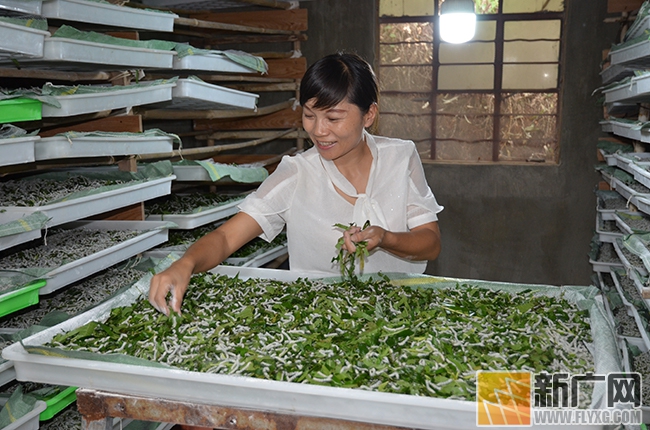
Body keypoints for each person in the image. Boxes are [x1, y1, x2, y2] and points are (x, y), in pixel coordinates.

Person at [149, 52, 443, 316]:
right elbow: (226, 238)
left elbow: (430, 243)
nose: (318, 130)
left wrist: (386, 238)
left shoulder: (400, 157)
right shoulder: (296, 174)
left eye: (333, 117)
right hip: (322, 318)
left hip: (404, 309)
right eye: (309, 115)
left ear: (369, 114)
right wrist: (184, 264)